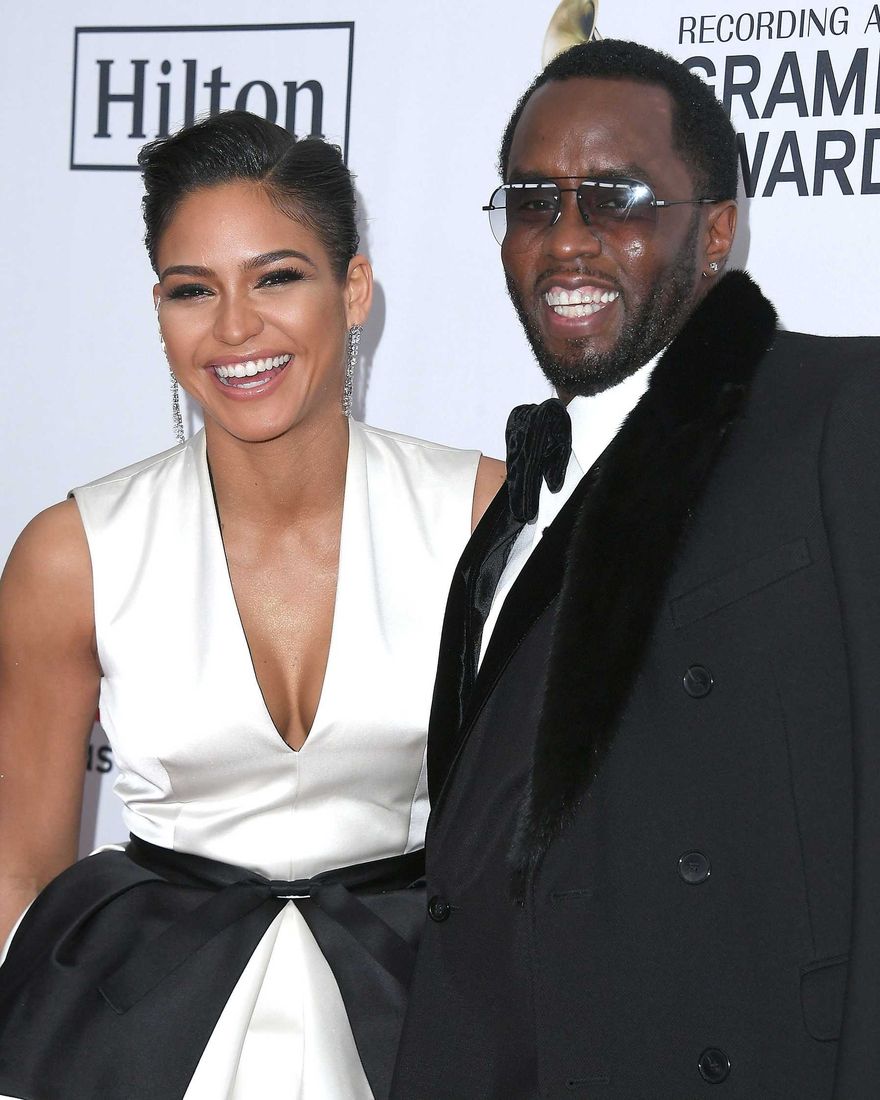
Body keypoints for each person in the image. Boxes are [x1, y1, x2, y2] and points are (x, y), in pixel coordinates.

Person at [391, 39, 880, 1099]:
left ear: (715, 229)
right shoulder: (511, 510)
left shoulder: (860, 408)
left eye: (615, 197)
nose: (566, 239)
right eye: (532, 201)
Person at [0, 110, 503, 1100]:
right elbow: (18, 870)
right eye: (193, 289)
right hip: (137, 1031)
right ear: (159, 311)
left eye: (276, 277)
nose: (234, 329)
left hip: (417, 1018)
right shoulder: (71, 553)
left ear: (353, 289)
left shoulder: (482, 519)